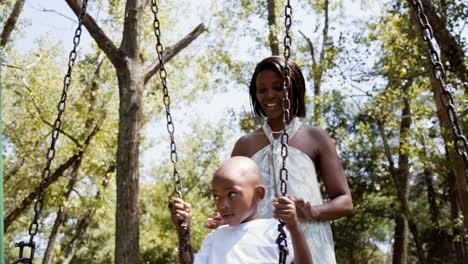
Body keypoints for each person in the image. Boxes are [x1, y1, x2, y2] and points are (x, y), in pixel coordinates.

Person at [205, 56, 353, 264]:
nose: (269, 95)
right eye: (262, 90)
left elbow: (345, 202)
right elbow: (234, 197)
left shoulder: (315, 138)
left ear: (294, 88)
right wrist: (226, 217)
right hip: (261, 249)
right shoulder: (245, 145)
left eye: (277, 87)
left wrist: (312, 211)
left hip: (310, 242)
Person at [171, 156, 313, 264]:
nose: (222, 205)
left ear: (258, 194)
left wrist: (294, 227)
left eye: (232, 194)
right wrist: (183, 230)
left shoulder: (276, 230)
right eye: (216, 196)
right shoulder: (215, 238)